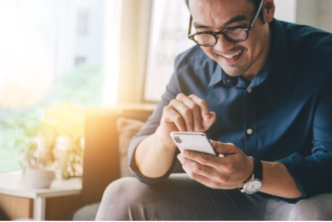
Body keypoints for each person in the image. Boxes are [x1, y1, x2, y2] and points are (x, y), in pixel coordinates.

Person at [96, 0, 332, 220]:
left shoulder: (323, 57)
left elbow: (328, 165)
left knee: (316, 212)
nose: (222, 46)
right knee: (121, 195)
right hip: (219, 201)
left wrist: (252, 173)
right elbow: (142, 167)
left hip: (298, 202)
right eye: (205, 32)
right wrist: (163, 138)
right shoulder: (189, 67)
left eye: (236, 29)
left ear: (267, 8)